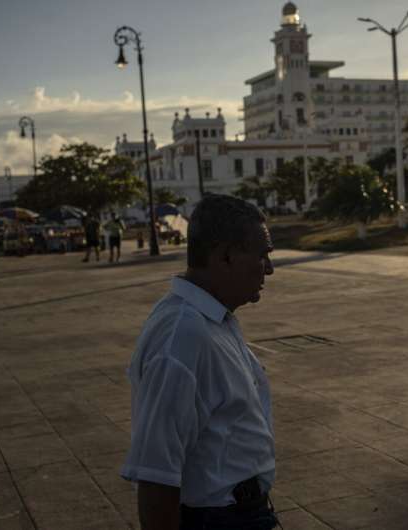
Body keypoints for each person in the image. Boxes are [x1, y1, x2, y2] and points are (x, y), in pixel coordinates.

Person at [120, 194, 277, 530]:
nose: (270, 268)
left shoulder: (213, 319)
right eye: (262, 255)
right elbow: (156, 477)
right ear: (225, 256)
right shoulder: (183, 337)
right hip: (219, 520)